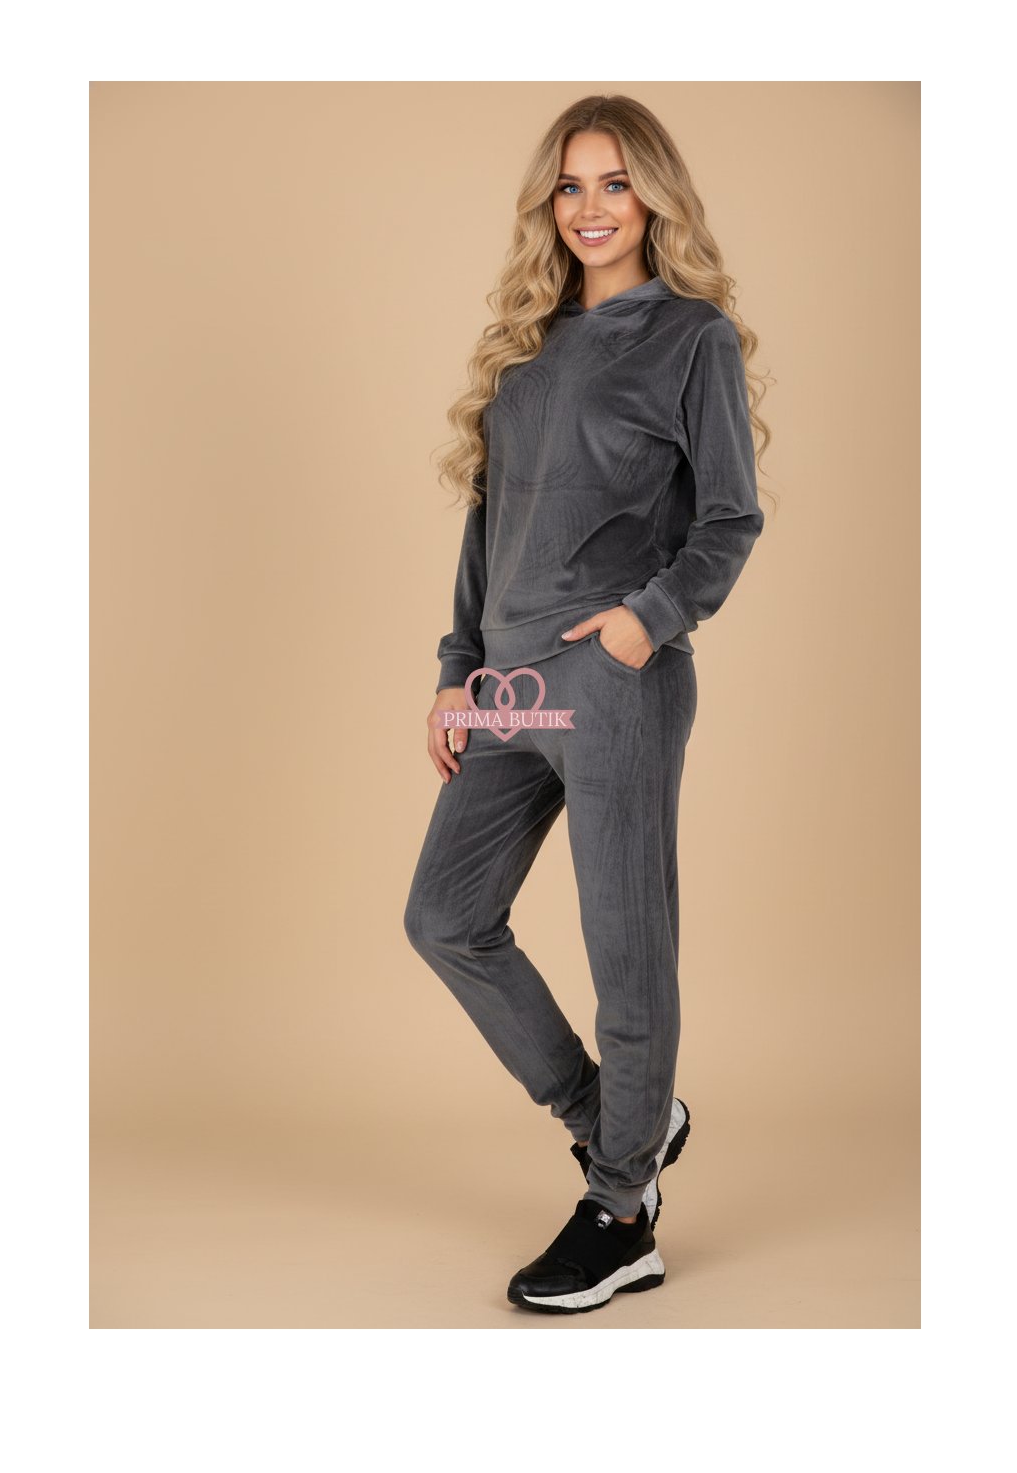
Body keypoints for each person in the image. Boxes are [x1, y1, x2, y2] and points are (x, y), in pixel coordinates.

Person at [403, 94, 770, 1315]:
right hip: (506, 687)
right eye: (571, 185)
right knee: (446, 918)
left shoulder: (690, 338)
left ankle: (622, 1212)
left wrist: (638, 625)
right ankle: (617, 1119)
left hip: (614, 682)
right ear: (547, 205)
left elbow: (728, 519)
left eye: (615, 182)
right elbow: (486, 531)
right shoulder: (527, 345)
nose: (592, 207)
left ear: (653, 196)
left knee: (626, 945)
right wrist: (456, 672)